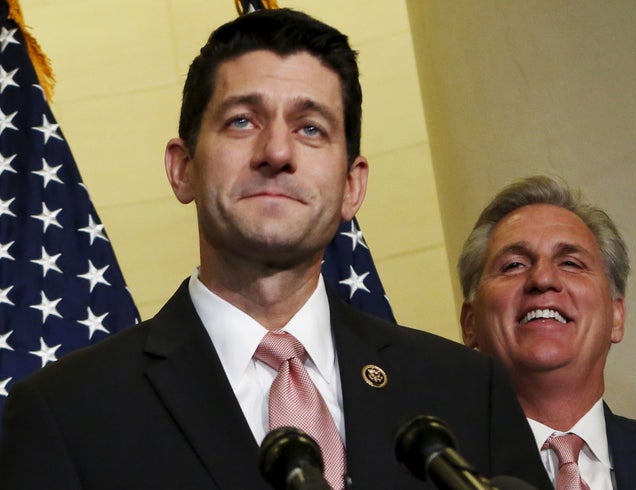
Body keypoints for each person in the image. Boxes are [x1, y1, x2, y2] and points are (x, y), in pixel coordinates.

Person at [0, 9, 552, 490]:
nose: (277, 152)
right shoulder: (68, 413)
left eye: (311, 128)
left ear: (352, 186)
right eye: (242, 121)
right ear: (182, 167)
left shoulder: (464, 392)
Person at [457, 175, 636, 489]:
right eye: (514, 265)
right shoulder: (417, 476)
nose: (543, 278)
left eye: (570, 262)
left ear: (617, 316)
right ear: (470, 323)